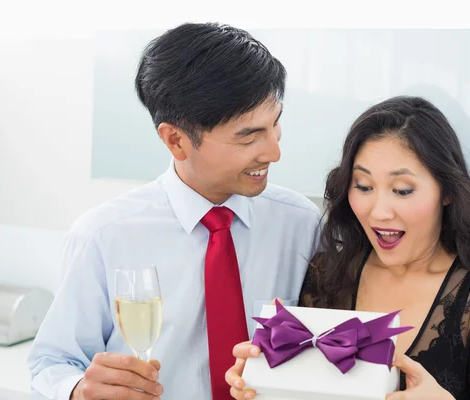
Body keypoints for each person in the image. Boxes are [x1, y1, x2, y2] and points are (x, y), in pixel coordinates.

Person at [27, 22, 322, 400]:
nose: (274, 153)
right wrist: (78, 390)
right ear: (176, 140)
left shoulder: (300, 224)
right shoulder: (104, 236)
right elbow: (51, 362)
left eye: (275, 123)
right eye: (248, 136)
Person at [226, 96, 470, 400]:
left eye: (402, 190)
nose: (379, 212)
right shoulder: (327, 274)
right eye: (363, 187)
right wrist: (260, 382)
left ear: (447, 192)